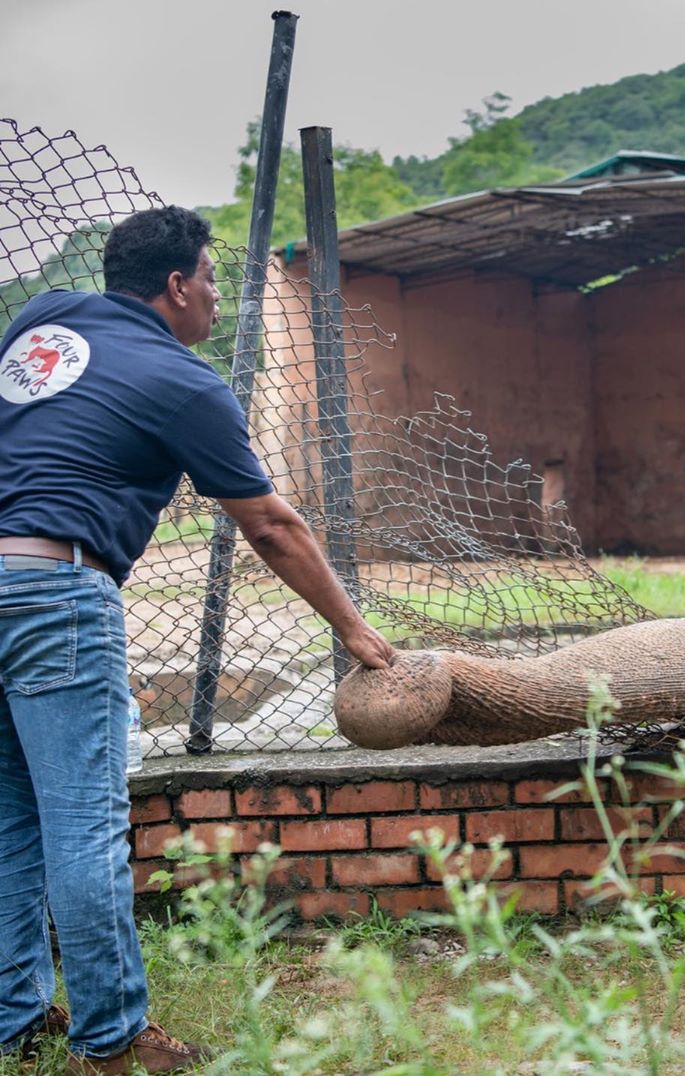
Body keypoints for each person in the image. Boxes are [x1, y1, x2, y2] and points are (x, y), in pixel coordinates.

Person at [0, 206, 395, 1074]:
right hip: (54, 591)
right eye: (212, 281)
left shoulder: (41, 319)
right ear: (175, 287)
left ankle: (15, 1021)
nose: (219, 300)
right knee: (83, 825)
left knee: (11, 819)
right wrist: (355, 630)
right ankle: (110, 1041)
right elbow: (272, 527)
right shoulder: (186, 382)